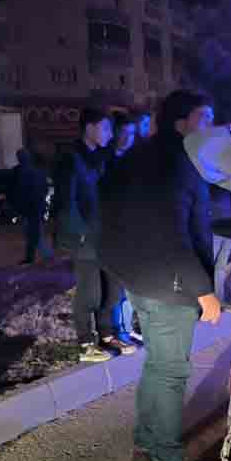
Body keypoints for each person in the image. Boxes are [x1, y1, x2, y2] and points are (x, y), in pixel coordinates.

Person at [99, 90, 221, 461]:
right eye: (204, 118)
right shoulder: (179, 164)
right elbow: (174, 236)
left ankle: (143, 453)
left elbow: (109, 215)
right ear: (180, 123)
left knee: (157, 366)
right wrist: (204, 291)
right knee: (170, 373)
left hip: (140, 281)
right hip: (171, 285)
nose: (211, 127)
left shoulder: (138, 156)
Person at [55, 107, 133, 362]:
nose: (111, 135)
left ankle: (107, 334)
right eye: (106, 128)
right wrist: (77, 234)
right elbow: (67, 201)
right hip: (85, 237)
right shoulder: (70, 158)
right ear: (89, 127)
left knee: (113, 290)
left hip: (109, 234)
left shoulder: (103, 158)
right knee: (90, 292)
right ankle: (86, 342)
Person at [104, 113, 143, 345]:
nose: (129, 138)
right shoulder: (106, 160)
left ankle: (130, 326)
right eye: (125, 133)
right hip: (113, 230)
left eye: (132, 133)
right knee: (116, 288)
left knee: (133, 284)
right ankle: (117, 329)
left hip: (134, 229)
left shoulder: (136, 160)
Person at [14, 147, 55, 264]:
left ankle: (46, 257)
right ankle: (33, 258)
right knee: (33, 235)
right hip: (36, 209)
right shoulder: (38, 172)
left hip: (32, 210)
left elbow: (24, 193)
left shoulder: (22, 172)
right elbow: (45, 189)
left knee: (34, 236)